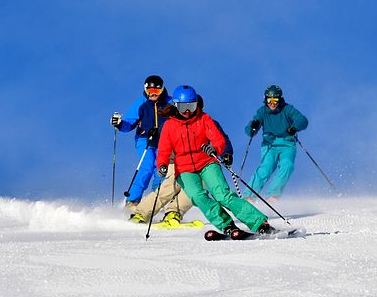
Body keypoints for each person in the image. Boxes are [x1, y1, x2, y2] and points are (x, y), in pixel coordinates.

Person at [156, 85, 276, 239]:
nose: (187, 111)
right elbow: (164, 150)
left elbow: (219, 140)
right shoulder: (169, 126)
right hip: (184, 169)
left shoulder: (203, 119)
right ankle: (226, 225)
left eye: (191, 107)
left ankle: (259, 223)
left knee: (222, 196)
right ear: (175, 105)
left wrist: (214, 149)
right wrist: (162, 165)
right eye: (183, 107)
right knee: (198, 197)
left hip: (206, 163)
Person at [130, 94, 234, 227]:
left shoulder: (207, 121)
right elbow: (163, 142)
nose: (188, 112)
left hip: (202, 163)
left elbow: (222, 140)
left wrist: (227, 154)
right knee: (170, 186)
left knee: (195, 190)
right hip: (177, 162)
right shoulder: (173, 121)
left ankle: (174, 212)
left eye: (194, 107)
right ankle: (142, 213)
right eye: (186, 108)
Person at [111, 75, 171, 210]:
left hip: (165, 142)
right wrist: (119, 124)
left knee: (161, 171)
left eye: (156, 91)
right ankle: (132, 201)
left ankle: (155, 202)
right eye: (150, 91)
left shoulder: (170, 103)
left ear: (162, 90)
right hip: (145, 140)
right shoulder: (141, 104)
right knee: (147, 166)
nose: (153, 94)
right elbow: (129, 124)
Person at [244, 84, 308, 201]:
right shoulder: (262, 111)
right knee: (266, 168)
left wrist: (294, 127)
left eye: (275, 100)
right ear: (265, 99)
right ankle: (249, 196)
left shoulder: (287, 109)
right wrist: (253, 127)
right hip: (270, 145)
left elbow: (302, 120)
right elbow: (250, 131)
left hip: (287, 144)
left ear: (280, 99)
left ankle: (273, 195)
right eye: (269, 100)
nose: (272, 103)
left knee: (287, 166)